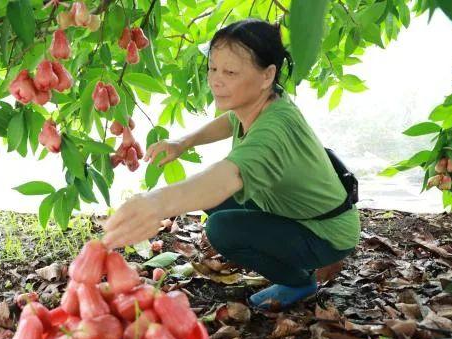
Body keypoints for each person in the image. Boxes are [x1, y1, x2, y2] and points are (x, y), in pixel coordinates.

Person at [102, 18, 360, 311]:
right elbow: (229, 122)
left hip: (324, 231)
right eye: (213, 68)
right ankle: (285, 252)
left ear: (267, 75)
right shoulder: (261, 101)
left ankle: (298, 281)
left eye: (230, 72)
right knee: (216, 203)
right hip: (299, 210)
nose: (215, 80)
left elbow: (226, 177)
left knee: (222, 228)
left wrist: (155, 203)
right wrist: (182, 143)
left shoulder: (274, 130)